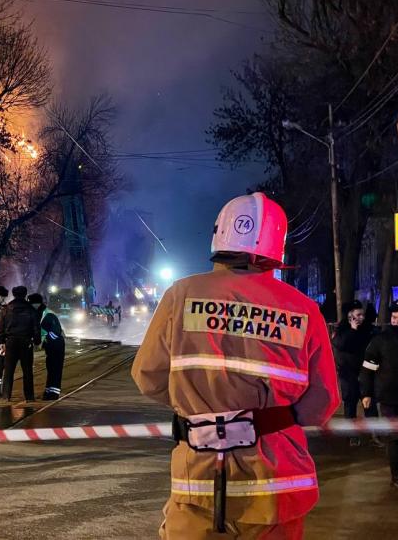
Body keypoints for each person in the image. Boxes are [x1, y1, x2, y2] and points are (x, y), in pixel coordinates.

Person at [133, 192, 339, 539]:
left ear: (219, 236)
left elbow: (147, 377)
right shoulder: (304, 310)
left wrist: (202, 405)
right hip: (278, 484)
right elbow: (323, 402)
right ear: (278, 246)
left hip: (198, 483)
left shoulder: (180, 295)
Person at [361, 299, 398, 488]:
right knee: (396, 438)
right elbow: (367, 369)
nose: (397, 321)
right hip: (389, 397)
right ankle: (396, 476)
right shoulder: (380, 341)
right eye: (394, 317)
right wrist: (366, 393)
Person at [332, 300, 377, 447]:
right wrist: (352, 329)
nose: (361, 318)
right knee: (350, 405)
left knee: (370, 405)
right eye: (358, 315)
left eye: (362, 315)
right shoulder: (342, 330)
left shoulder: (368, 330)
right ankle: (352, 436)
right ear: (350, 317)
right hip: (348, 375)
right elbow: (340, 344)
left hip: (365, 374)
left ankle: (374, 435)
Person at [0, 286, 41, 402]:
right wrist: (37, 341)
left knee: (8, 371)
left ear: (14, 294)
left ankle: (6, 395)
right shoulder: (31, 310)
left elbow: (0, 327)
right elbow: (36, 328)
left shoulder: (6, 309)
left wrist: (1, 342)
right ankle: (29, 396)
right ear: (25, 294)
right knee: (27, 371)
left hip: (10, 342)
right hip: (26, 342)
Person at [28, 293, 66, 400]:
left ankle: (53, 393)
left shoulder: (48, 315)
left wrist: (45, 341)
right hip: (51, 345)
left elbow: (56, 332)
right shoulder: (40, 313)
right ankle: (48, 390)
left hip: (56, 345)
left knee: (55, 368)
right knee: (50, 367)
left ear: (36, 304)